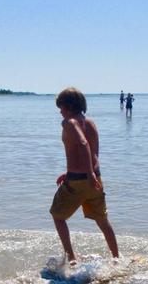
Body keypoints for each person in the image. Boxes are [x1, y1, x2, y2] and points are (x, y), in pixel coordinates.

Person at [50, 87, 119, 264]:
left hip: (79, 180)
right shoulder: (91, 123)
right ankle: (117, 258)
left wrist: (85, 173)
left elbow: (83, 144)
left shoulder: (69, 122)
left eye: (61, 107)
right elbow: (94, 154)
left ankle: (71, 257)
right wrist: (86, 173)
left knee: (58, 216)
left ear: (69, 106)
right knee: (103, 220)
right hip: (96, 178)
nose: (60, 112)